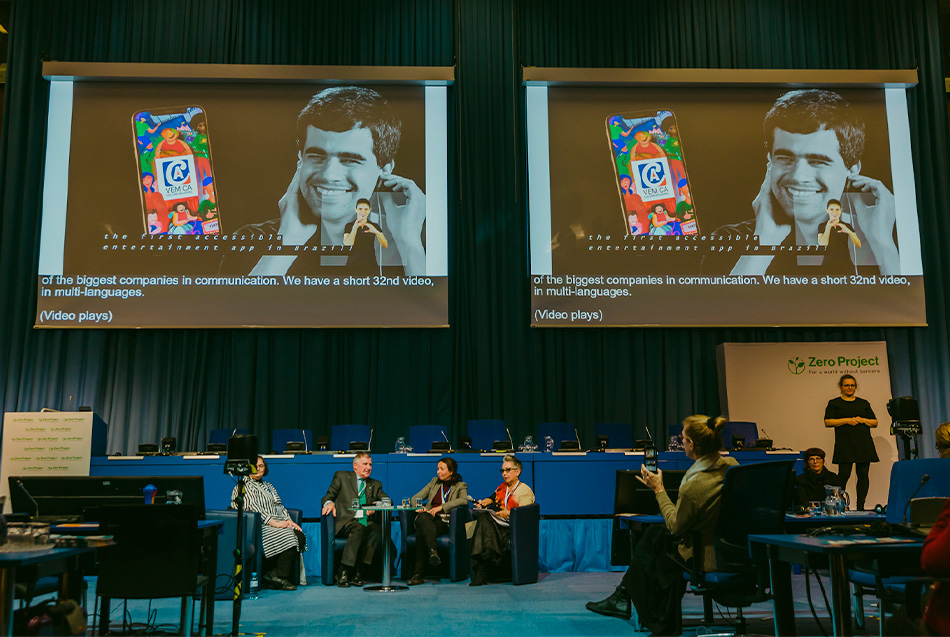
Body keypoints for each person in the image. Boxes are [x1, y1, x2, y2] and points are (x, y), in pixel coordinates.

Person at [220, 86, 426, 276]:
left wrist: (409, 245)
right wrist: (288, 241)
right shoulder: (250, 241)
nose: (328, 175)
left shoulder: (415, 239)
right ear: (300, 160)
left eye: (350, 160)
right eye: (316, 156)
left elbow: (434, 313)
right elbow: (235, 316)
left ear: (385, 169)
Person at [705, 89, 899, 276]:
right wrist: (764, 242)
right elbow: (718, 311)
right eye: (785, 158)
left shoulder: (882, 236)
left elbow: (903, 308)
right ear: (769, 162)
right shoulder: (728, 240)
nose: (798, 176)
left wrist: (881, 242)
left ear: (853, 170)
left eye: (818, 161)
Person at [586, 415, 739, 635]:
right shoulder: (733, 467)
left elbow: (676, 525)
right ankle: (623, 596)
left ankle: (635, 604)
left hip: (706, 556)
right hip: (737, 551)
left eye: (683, 438)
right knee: (656, 535)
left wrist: (659, 490)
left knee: (652, 542)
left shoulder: (694, 487)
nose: (681, 441)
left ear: (692, 445)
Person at [230, 456, 307, 591]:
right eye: (256, 466)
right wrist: (274, 523)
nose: (259, 469)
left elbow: (279, 506)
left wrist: (288, 520)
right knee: (289, 536)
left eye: (261, 466)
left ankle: (273, 574)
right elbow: (251, 508)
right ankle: (280, 577)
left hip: (277, 521)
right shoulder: (243, 485)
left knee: (300, 535)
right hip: (259, 525)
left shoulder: (268, 486)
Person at [321, 452, 389, 587]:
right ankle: (344, 570)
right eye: (365, 464)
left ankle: (359, 571)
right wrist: (329, 503)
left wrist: (376, 505)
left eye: (370, 464)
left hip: (365, 522)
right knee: (359, 528)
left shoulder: (375, 484)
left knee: (377, 530)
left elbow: (387, 500)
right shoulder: (342, 477)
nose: (368, 468)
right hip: (346, 523)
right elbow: (328, 496)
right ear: (355, 466)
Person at [469, 454, 535, 586]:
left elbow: (525, 515)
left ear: (517, 472)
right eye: (502, 471)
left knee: (484, 520)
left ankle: (479, 564)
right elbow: (492, 498)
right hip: (497, 524)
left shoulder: (524, 490)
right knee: (478, 519)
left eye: (508, 470)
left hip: (513, 528)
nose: (504, 473)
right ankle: (484, 562)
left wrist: (508, 513)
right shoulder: (502, 487)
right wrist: (483, 503)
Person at [406, 457, 468, 586]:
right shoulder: (434, 482)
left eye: (442, 469)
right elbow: (414, 498)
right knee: (423, 518)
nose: (438, 472)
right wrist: (419, 506)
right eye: (437, 469)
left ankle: (418, 574)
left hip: (444, 522)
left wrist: (441, 507)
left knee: (420, 532)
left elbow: (463, 500)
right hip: (428, 517)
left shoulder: (460, 485)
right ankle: (433, 552)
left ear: (451, 471)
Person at [824, 374, 878, 510]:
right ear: (841, 387)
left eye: (852, 385)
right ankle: (841, 506)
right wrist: (847, 420)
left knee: (863, 476)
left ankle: (861, 507)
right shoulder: (834, 403)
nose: (850, 388)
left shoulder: (863, 403)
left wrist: (863, 420)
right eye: (847, 385)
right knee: (843, 475)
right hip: (845, 443)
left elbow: (875, 422)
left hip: (863, 443)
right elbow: (828, 421)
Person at [342, 198, 388, 273]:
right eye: (360, 209)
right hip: (352, 265)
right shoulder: (349, 226)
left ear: (369, 210)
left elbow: (385, 244)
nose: (363, 212)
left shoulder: (374, 226)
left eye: (366, 209)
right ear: (356, 210)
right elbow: (347, 245)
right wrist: (355, 228)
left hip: (370, 265)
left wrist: (376, 232)